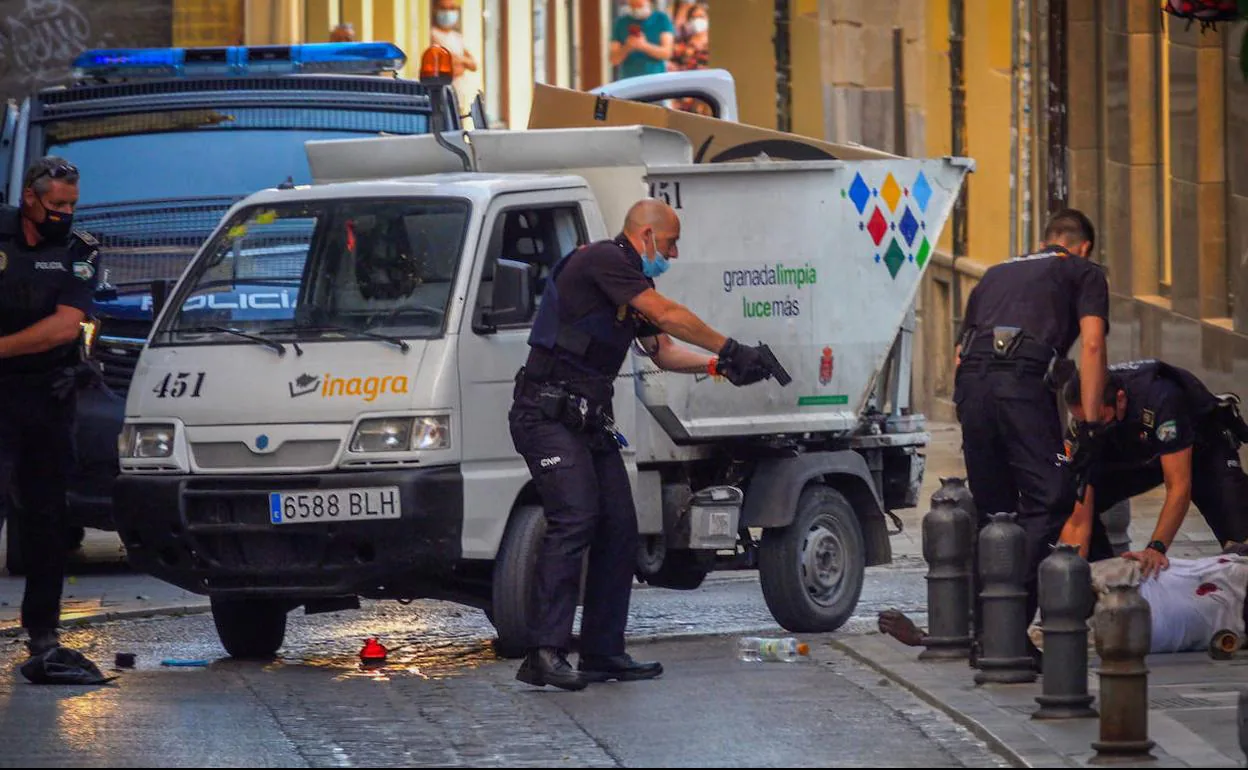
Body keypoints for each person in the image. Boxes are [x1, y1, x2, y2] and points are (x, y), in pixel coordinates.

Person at [509, 199, 780, 691]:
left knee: (619, 528)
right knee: (575, 518)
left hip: (587, 421)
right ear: (647, 236)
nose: (673, 254)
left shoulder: (632, 286)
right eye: (671, 243)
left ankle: (602, 653)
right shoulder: (603, 261)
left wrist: (720, 367)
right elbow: (669, 315)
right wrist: (729, 346)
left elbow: (665, 350)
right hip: (544, 416)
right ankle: (543, 652)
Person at [954, 208, 1109, 664]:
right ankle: (1007, 626)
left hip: (973, 385)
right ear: (1083, 246)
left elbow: (961, 356)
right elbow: (1094, 344)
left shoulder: (995, 273)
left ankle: (983, 632)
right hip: (1020, 380)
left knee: (995, 512)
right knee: (1051, 496)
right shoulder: (1084, 272)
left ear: (1045, 240)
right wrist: (1093, 424)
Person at [0, 157, 100, 656]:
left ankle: (42, 628)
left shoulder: (80, 250)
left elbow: (65, 326)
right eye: (56, 204)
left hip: (47, 393)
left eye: (72, 205)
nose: (64, 213)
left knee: (46, 517)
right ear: (30, 199)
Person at [1058, 359, 1248, 573]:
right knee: (1066, 497)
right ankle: (1101, 580)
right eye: (1083, 420)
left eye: (1098, 418)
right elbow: (1077, 514)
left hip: (1203, 450)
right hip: (1142, 450)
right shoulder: (1087, 424)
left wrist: (1155, 547)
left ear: (1120, 399)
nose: (1091, 426)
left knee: (1241, 540)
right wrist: (1070, 574)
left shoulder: (1160, 398)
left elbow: (1178, 488)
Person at [429, 0, 478, 114]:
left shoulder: (456, 37)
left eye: (452, 8)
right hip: (443, 100)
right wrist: (461, 63)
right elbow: (450, 68)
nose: (448, 12)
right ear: (435, 9)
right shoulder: (433, 35)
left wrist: (459, 60)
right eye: (444, 8)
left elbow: (474, 65)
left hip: (459, 100)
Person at [609, 0, 675, 81]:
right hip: (628, 82)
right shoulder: (620, 23)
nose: (636, 8)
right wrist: (627, 47)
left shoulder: (662, 19)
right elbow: (614, 59)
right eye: (633, 5)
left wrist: (644, 46)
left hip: (656, 81)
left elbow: (667, 53)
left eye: (639, 5)